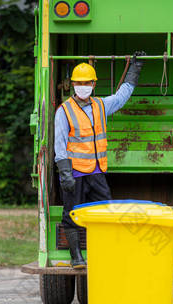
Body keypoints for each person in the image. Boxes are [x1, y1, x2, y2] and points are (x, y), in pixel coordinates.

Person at [54, 51, 145, 269]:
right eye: (79, 82)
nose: (83, 86)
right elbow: (59, 143)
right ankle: (76, 257)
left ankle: (105, 253)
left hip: (95, 172)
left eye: (87, 82)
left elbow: (122, 97)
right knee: (71, 215)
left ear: (94, 84)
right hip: (74, 174)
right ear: (73, 85)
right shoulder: (64, 111)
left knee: (106, 212)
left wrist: (135, 69)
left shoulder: (101, 106)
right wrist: (65, 173)